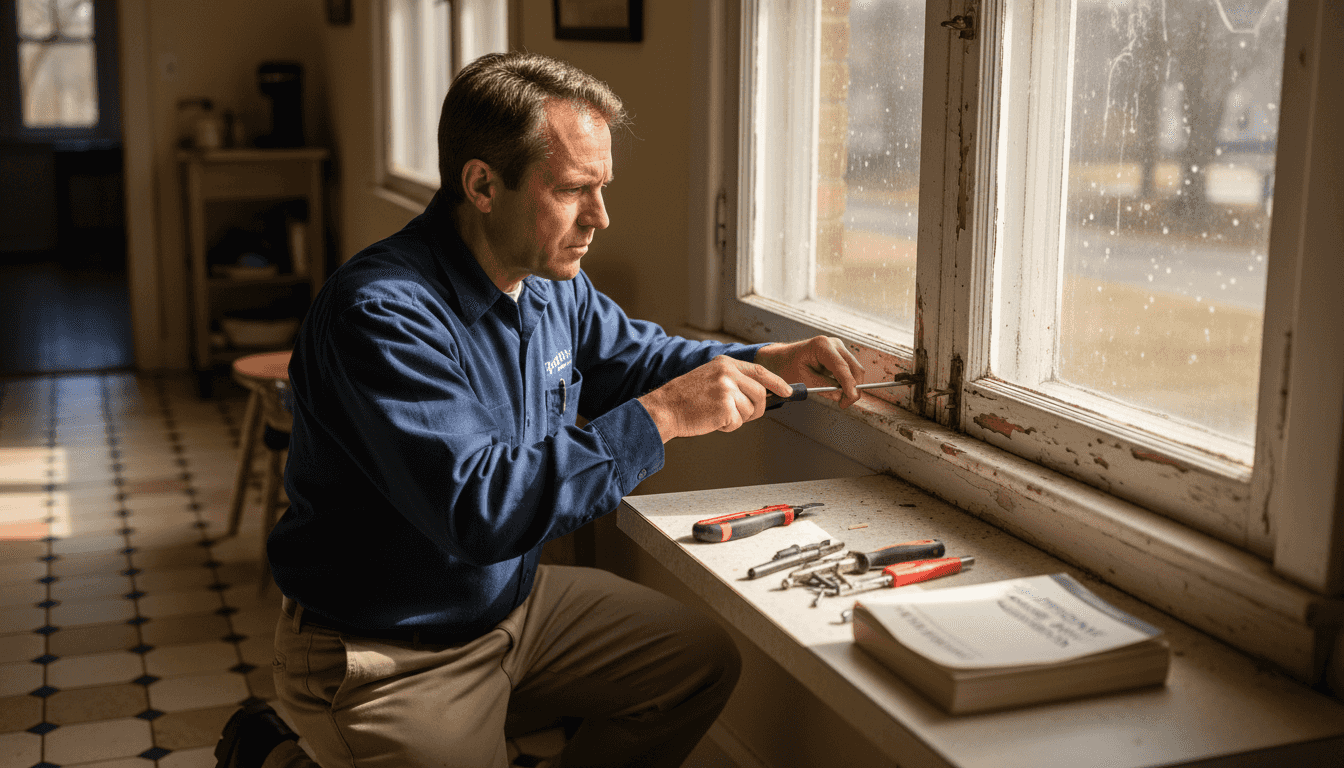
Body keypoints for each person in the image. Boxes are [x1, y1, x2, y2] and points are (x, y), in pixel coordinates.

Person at [214, 51, 865, 768]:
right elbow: (480, 508)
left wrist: (763, 361)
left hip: (513, 610)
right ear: (483, 184)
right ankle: (273, 753)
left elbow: (639, 357)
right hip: (388, 649)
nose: (601, 216)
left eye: (603, 187)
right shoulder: (380, 315)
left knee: (698, 662)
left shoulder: (551, 281)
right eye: (574, 190)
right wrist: (662, 417)